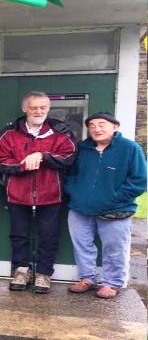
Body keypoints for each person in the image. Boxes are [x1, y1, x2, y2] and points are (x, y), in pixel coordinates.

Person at [0, 91, 76, 294]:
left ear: (48, 109)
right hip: (17, 195)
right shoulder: (9, 133)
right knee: (19, 236)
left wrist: (43, 156)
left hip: (51, 195)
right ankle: (21, 270)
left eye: (43, 107)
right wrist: (22, 165)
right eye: (33, 107)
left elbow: (69, 157)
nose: (38, 111)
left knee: (48, 236)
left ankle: (44, 273)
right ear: (25, 109)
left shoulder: (61, 132)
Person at [65, 112, 146, 299]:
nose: (96, 128)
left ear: (115, 127)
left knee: (114, 248)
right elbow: (69, 175)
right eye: (92, 125)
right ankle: (87, 278)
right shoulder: (82, 149)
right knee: (82, 245)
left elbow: (139, 180)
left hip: (115, 210)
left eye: (102, 124)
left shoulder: (130, 148)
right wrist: (76, 193)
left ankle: (112, 283)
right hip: (80, 209)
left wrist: (115, 198)